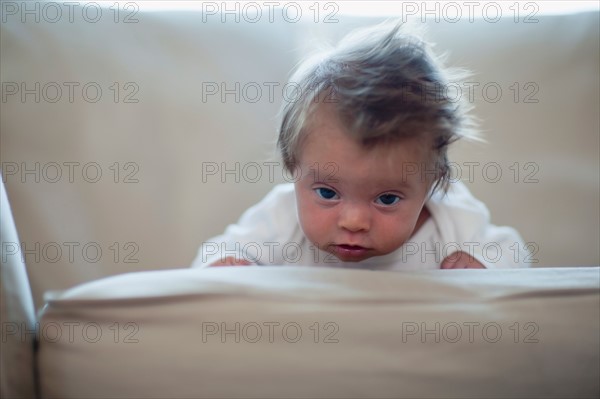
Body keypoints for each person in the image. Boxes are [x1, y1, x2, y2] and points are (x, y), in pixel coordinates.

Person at [191, 22, 530, 270]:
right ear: (293, 167)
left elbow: (517, 258)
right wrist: (228, 265)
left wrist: (486, 268)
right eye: (327, 193)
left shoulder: (454, 220)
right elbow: (209, 257)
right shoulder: (282, 218)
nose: (353, 221)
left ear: (433, 182)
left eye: (386, 199)